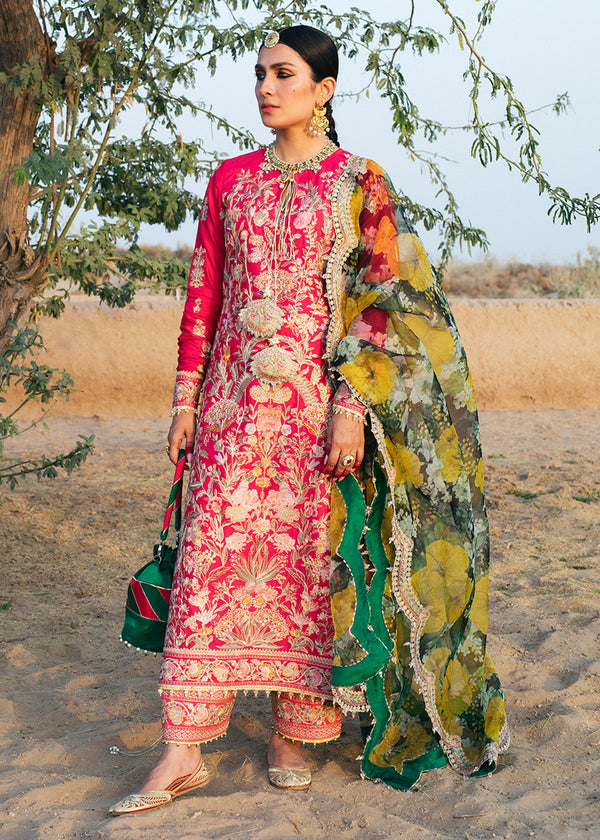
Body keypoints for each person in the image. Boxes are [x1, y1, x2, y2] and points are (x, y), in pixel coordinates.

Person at [110, 24, 508, 815]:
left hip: (315, 413)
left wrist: (352, 408)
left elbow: (380, 303)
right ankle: (182, 749)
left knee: (308, 566)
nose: (266, 88)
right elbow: (203, 295)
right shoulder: (230, 181)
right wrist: (186, 400)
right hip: (231, 409)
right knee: (209, 561)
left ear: (324, 89)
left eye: (284, 74)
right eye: (260, 74)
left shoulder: (360, 181)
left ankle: (296, 732)